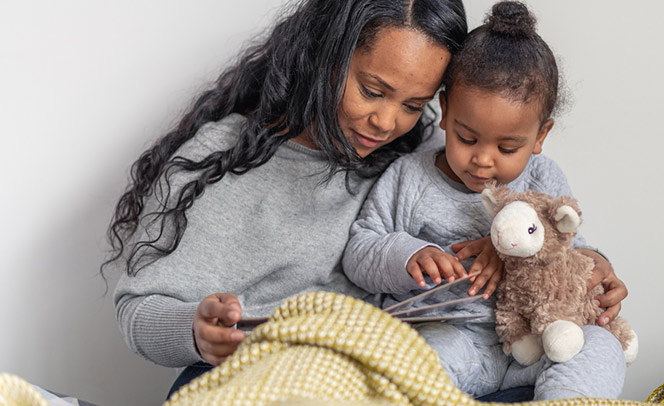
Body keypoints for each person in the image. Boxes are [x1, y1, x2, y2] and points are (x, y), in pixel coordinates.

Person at [102, 0, 468, 398]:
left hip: (375, 377)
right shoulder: (219, 160)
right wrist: (196, 330)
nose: (385, 122)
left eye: (414, 106)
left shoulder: (420, 156)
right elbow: (137, 308)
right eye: (372, 91)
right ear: (326, 52)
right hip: (261, 376)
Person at [342, 1, 628, 401]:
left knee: (599, 346)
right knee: (411, 364)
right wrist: (410, 255)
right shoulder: (410, 177)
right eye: (467, 138)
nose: (482, 159)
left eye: (508, 147)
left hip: (541, 339)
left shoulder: (545, 178)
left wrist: (599, 268)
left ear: (540, 136)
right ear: (444, 112)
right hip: (454, 339)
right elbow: (360, 250)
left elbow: (569, 247)